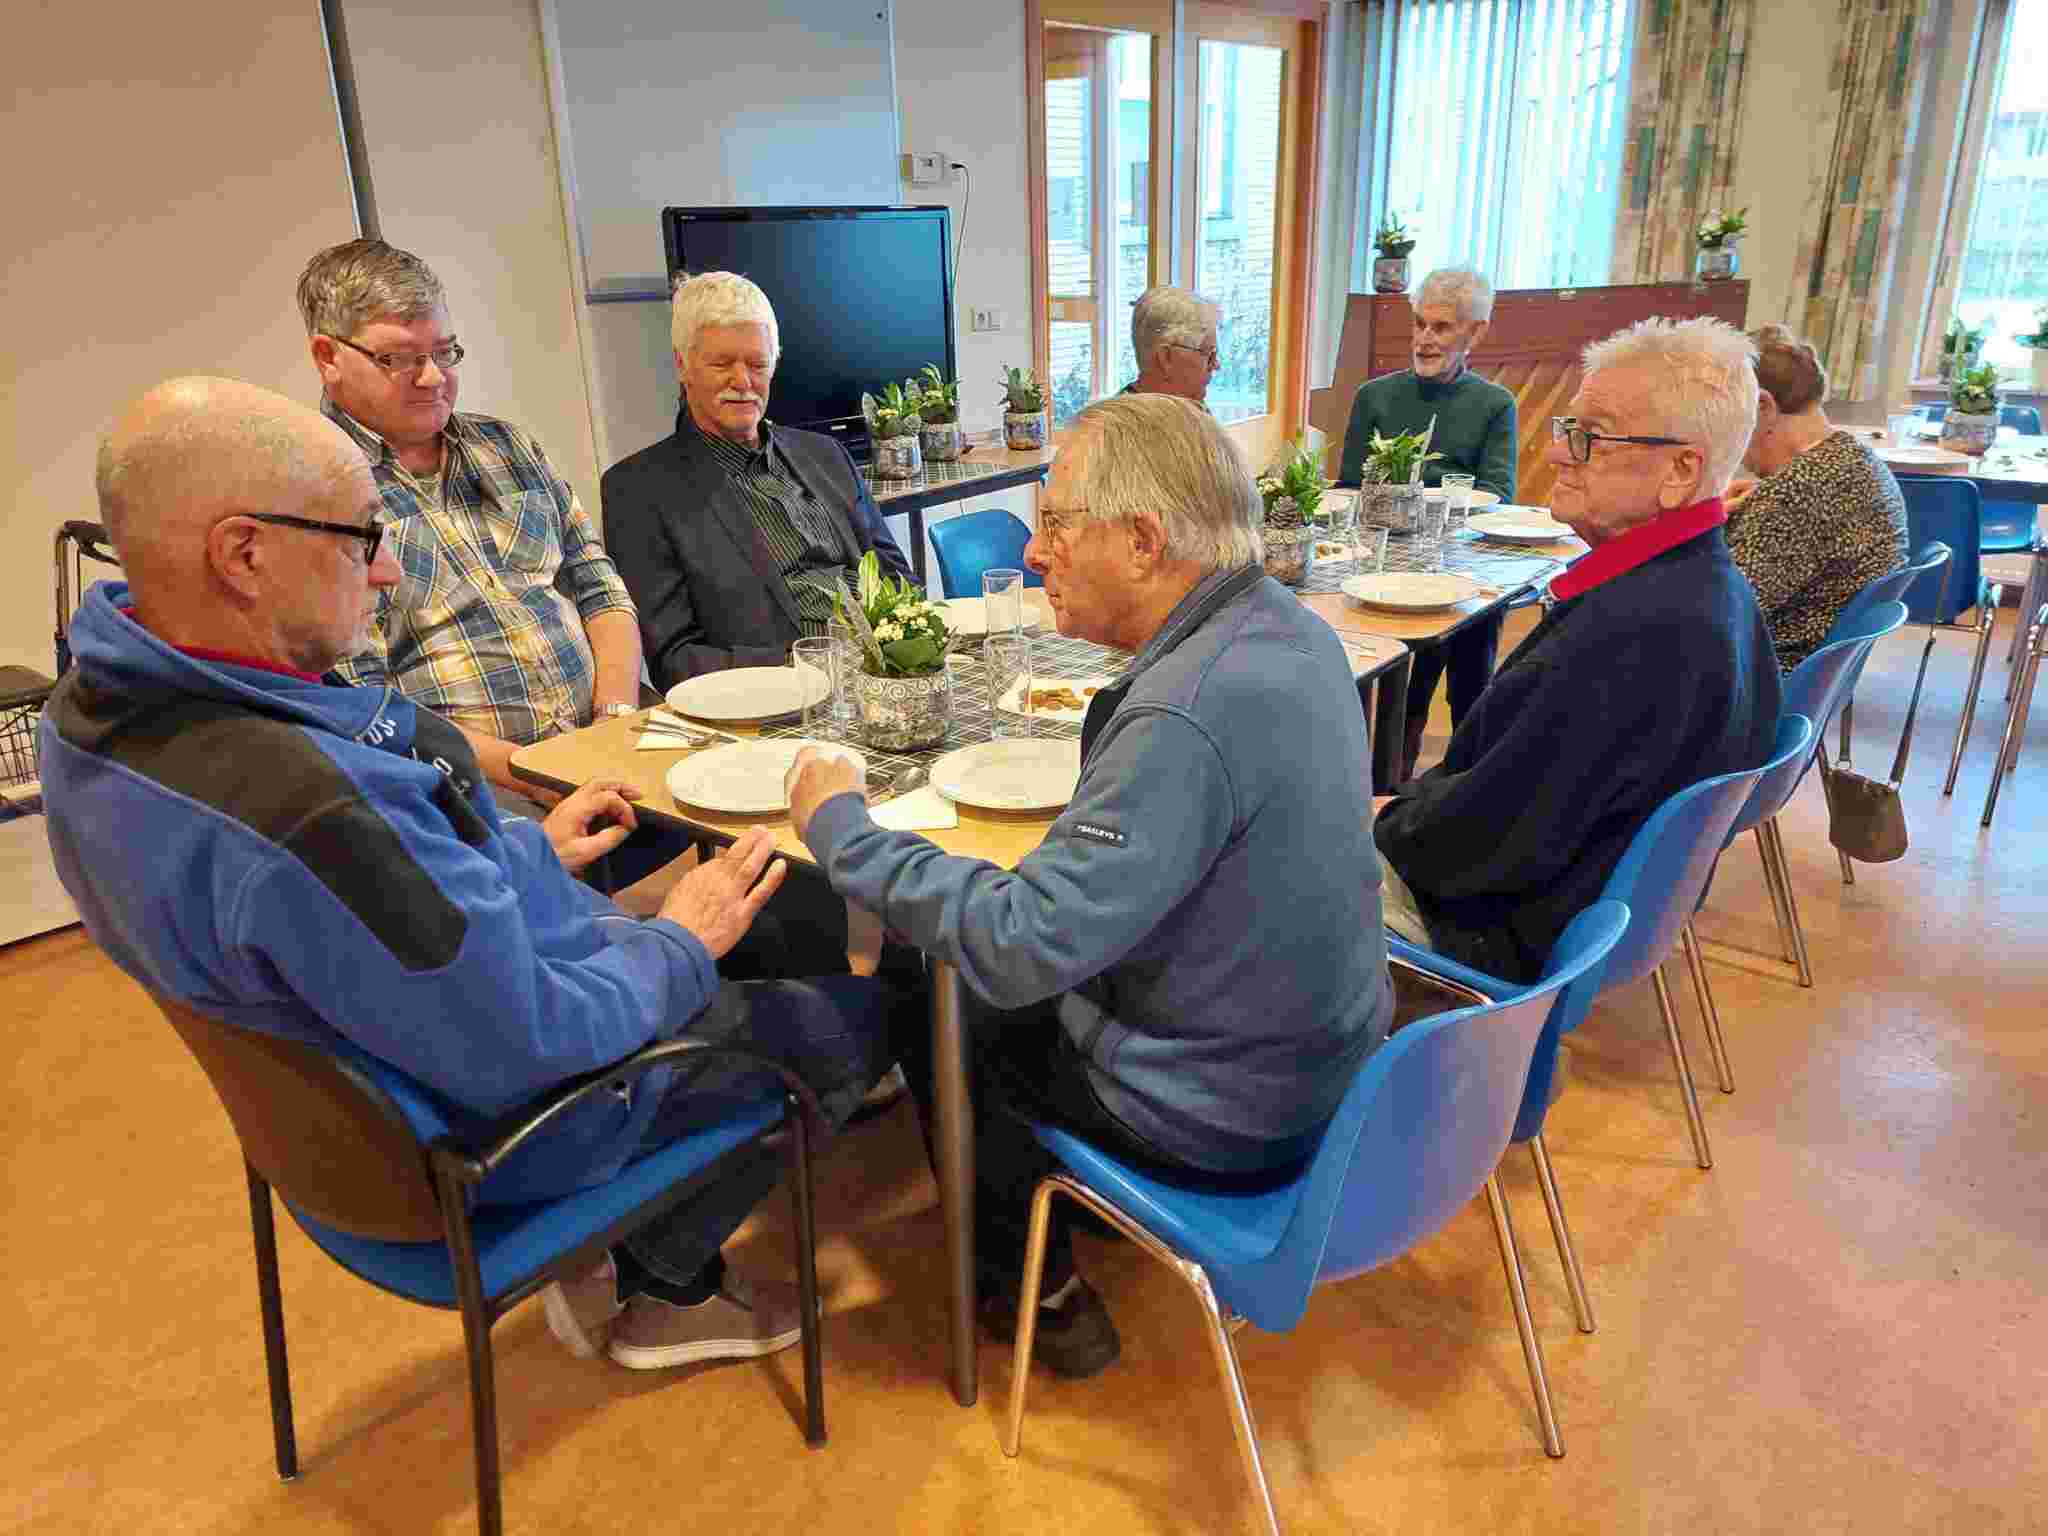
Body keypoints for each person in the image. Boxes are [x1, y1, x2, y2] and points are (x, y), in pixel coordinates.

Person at [39, 377, 895, 1374]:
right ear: (243, 554)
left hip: (366, 1111)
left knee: (757, 937)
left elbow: (387, 908)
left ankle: (653, 1211)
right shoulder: (309, 812)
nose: (387, 571)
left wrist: (525, 852)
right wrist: (678, 939)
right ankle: (663, 1281)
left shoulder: (90, 716)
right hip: (510, 1128)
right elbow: (540, 1038)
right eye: (362, 538)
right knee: (865, 1011)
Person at [783, 394, 1396, 1378]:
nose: (1036, 554)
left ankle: (1035, 1290)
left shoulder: (1185, 711)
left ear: (1144, 542)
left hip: (1228, 1117)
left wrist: (840, 829)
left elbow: (1018, 943)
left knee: (933, 979)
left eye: (1058, 524)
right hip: (1328, 1073)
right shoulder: (1287, 627)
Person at [1373, 317, 1783, 984]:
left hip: (1485, 934)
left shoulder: (1642, 633)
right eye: (1570, 428)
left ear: (1682, 470)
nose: (1558, 452)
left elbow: (1477, 845)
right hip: (1554, 909)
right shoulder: (1714, 588)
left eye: (1590, 437)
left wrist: (1385, 819)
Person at [296, 239, 642, 814]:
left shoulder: (509, 447)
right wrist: (535, 774)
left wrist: (615, 720)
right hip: (463, 787)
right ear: (328, 356)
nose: (433, 377)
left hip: (602, 741)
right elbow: (365, 703)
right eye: (399, 359)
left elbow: (600, 588)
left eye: (445, 351)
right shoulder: (313, 491)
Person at [602, 271, 915, 692]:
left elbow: (902, 581)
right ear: (682, 365)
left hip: (891, 678)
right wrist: (810, 667)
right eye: (721, 364)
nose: (742, 381)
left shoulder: (826, 455)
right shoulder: (638, 490)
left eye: (757, 364)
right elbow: (676, 660)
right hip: (780, 700)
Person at [1338, 267, 1519, 779]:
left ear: (1475, 332)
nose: (1424, 338)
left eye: (1441, 327)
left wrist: (1420, 497)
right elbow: (1350, 486)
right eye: (1419, 323)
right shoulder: (1374, 396)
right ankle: (1387, 781)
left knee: (1471, 656)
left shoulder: (1494, 404)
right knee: (1400, 681)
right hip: (1384, 564)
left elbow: (1498, 494)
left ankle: (1465, 779)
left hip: (1460, 563)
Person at [1724, 324, 1908, 671]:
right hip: (1811, 676)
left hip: (1758, 678)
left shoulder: (1795, 493)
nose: (1730, 443)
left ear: (1763, 407)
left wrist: (1680, 528)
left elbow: (1716, 613)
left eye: (1729, 422)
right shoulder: (1856, 460)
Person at [1121, 285, 1221, 407]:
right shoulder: (1121, 417)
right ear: (1165, 357)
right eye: (1209, 355)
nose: (1216, 365)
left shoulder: (1192, 406)